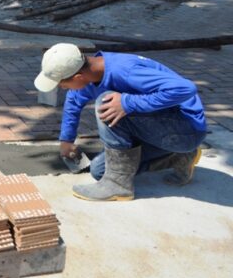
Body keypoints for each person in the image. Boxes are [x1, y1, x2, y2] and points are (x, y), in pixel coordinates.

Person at [34, 43, 206, 201]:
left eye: (62, 84)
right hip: (160, 129)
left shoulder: (124, 70)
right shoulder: (91, 73)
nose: (62, 88)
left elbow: (186, 88)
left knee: (106, 102)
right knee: (99, 171)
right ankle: (178, 156)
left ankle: (118, 186)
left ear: (78, 77)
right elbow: (73, 102)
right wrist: (66, 140)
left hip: (185, 131)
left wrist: (127, 103)